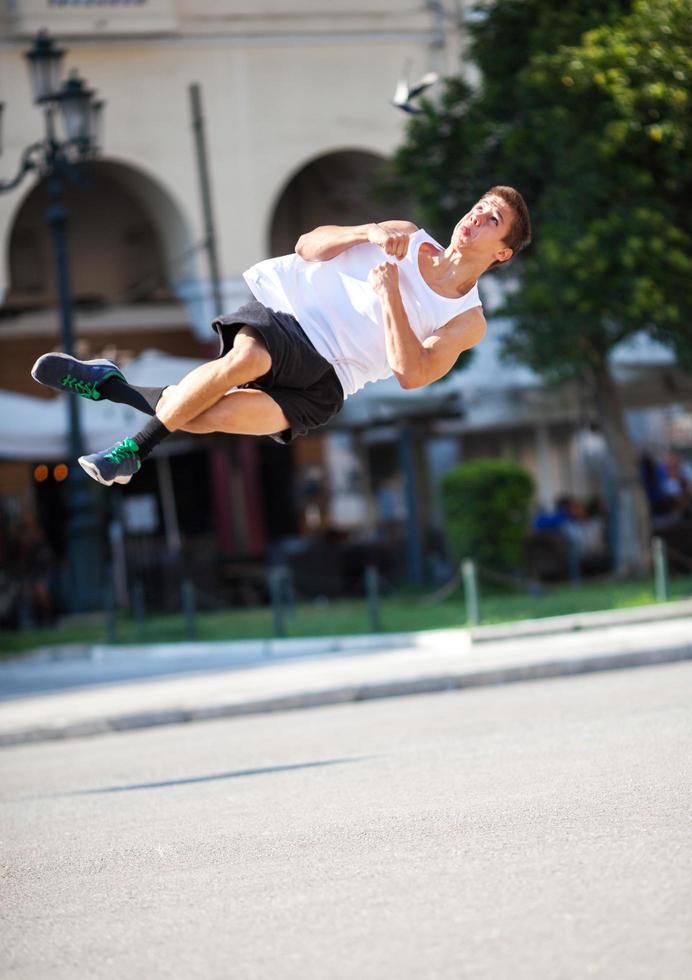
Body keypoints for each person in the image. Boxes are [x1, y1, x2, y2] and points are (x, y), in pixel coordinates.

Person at [31, 185, 531, 486]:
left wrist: (392, 297)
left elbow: (412, 375)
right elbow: (307, 246)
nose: (476, 217)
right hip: (292, 319)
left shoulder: (467, 320)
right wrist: (367, 232)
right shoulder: (403, 233)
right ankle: (132, 451)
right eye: (480, 206)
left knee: (210, 416)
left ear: (503, 252)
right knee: (244, 362)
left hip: (332, 381)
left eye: (494, 220)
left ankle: (112, 386)